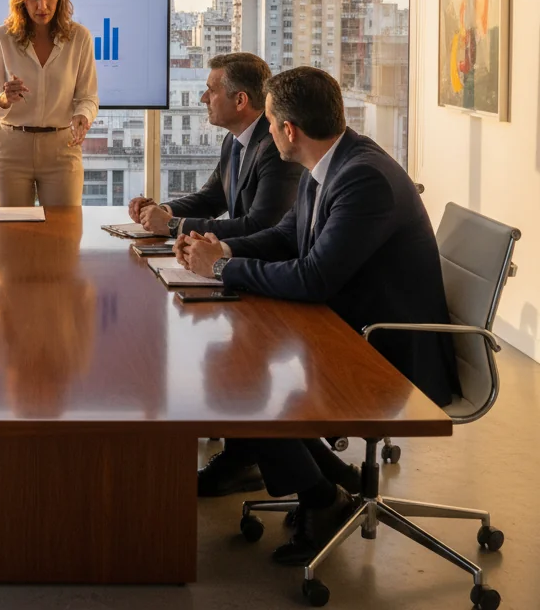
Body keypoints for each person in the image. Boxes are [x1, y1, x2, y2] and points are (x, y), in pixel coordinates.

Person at [177, 66, 460, 565]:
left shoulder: (362, 179)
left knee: (246, 382)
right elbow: (287, 236)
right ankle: (337, 481)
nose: (265, 130)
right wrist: (220, 247)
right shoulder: (332, 159)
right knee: (242, 364)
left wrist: (222, 266)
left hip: (389, 352)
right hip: (350, 326)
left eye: (268, 121)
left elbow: (313, 278)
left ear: (289, 130)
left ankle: (322, 499)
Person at [128, 53, 302, 241]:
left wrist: (173, 225)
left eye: (211, 90)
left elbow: (259, 226)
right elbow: (210, 199)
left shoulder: (276, 147)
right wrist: (161, 211)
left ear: (240, 100)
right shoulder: (232, 141)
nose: (204, 98)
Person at [0, 0, 99, 206]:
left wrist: (83, 115)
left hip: (61, 147)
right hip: (11, 148)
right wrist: (4, 99)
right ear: (21, 0)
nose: (42, 5)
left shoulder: (80, 37)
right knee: (9, 235)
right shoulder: (1, 37)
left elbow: (88, 96)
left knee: (63, 236)